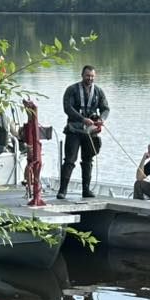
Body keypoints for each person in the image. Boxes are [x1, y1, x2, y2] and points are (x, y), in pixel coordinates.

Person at [58, 64, 110, 200]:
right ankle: (62, 191)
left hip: (90, 132)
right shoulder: (71, 90)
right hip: (74, 130)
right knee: (69, 161)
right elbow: (67, 108)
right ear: (82, 75)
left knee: (88, 160)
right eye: (88, 76)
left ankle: (86, 190)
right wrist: (82, 119)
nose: (90, 78)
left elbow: (105, 108)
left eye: (92, 76)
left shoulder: (98, 91)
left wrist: (101, 119)